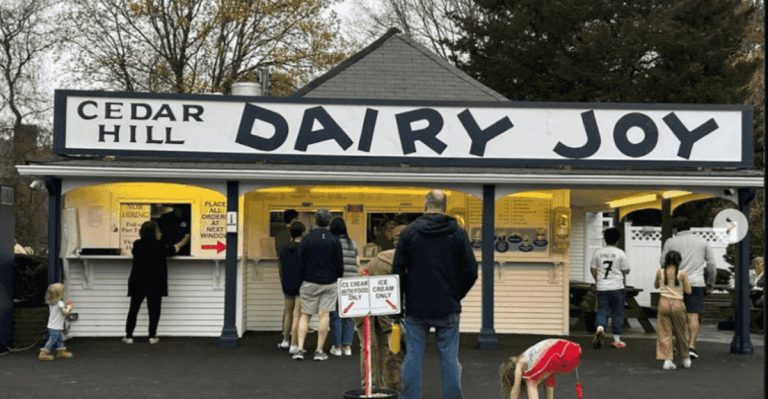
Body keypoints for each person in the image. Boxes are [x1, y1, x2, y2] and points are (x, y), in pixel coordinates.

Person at [392, 189, 478, 399]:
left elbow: (397, 272)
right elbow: (471, 271)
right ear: (445, 207)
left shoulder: (409, 233)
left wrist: (398, 305)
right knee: (449, 358)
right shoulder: (458, 233)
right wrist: (456, 293)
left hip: (416, 306)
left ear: (425, 205)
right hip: (447, 306)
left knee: (413, 356)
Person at [123, 221, 188, 344]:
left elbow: (134, 253)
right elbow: (173, 250)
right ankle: (152, 336)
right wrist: (184, 240)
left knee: (133, 309)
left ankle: (129, 335)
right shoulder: (161, 246)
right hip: (155, 281)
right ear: (155, 232)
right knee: (154, 310)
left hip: (138, 281)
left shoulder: (137, 244)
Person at [660, 217, 716, 359]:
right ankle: (691, 347)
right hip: (696, 283)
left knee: (673, 315)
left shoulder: (670, 242)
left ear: (675, 229)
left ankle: (675, 345)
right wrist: (710, 284)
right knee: (693, 315)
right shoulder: (702, 242)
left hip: (675, 283)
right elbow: (712, 265)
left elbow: (662, 262)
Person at [293, 209, 344, 361]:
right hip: (329, 282)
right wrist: (336, 277)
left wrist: (301, 279)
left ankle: (300, 349)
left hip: (309, 281)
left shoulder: (307, 239)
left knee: (305, 315)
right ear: (329, 222)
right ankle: (319, 350)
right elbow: (339, 264)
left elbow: (300, 261)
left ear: (315, 221)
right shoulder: (334, 240)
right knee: (325, 316)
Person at [354, 249, 404, 391]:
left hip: (375, 302)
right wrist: (391, 330)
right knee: (371, 346)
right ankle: (372, 386)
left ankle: (380, 386)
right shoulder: (390, 264)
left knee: (378, 346)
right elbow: (384, 301)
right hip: (363, 302)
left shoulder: (396, 258)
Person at [500, 338, 582, 399]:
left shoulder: (519, 363)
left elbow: (515, 390)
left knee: (531, 382)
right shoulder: (530, 357)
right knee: (548, 378)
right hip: (573, 350)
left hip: (559, 350)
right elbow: (548, 383)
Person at [590, 227, 630, 349]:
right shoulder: (620, 253)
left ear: (605, 239)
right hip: (617, 287)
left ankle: (600, 328)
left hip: (602, 287)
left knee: (602, 310)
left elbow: (592, 268)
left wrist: (597, 279)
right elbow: (626, 270)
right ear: (617, 240)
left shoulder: (598, 252)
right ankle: (617, 339)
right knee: (617, 312)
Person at [655, 251, 692, 370]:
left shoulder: (660, 272)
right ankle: (686, 359)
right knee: (681, 332)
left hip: (663, 303)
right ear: (679, 261)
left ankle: (667, 360)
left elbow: (656, 285)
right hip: (678, 304)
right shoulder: (682, 274)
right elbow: (688, 291)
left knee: (665, 333)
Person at [329, 217, 360, 357]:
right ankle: (348, 347)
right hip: (351, 284)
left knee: (336, 316)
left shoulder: (332, 244)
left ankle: (337, 347)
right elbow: (358, 263)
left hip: (336, 282)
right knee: (349, 316)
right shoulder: (352, 244)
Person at [278, 221, 305, 353]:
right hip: (300, 284)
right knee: (297, 314)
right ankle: (294, 344)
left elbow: (281, 267)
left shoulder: (284, 248)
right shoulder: (304, 248)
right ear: (303, 233)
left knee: (288, 312)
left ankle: (285, 340)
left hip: (287, 283)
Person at [275, 209, 299, 351]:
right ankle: (295, 341)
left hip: (284, 273)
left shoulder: (279, 235)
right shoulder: (298, 239)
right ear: (295, 218)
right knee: (296, 310)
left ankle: (285, 337)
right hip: (298, 276)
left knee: (288, 308)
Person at [39, 283, 74, 361]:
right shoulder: (59, 303)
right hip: (56, 326)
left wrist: (66, 308)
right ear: (59, 293)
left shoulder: (52, 302)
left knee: (60, 339)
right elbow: (64, 313)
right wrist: (69, 307)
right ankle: (43, 354)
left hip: (53, 325)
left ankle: (61, 352)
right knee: (52, 340)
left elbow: (60, 312)